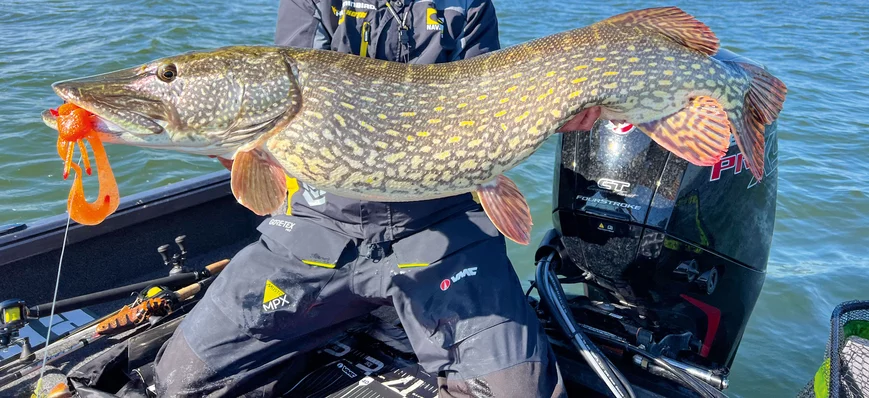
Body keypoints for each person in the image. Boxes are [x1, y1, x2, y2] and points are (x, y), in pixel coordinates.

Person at [153, 1, 566, 396]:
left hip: (441, 228)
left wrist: (560, 108)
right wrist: (242, 147)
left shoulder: (467, 4)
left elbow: (487, 105)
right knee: (183, 379)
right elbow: (281, 114)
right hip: (317, 229)